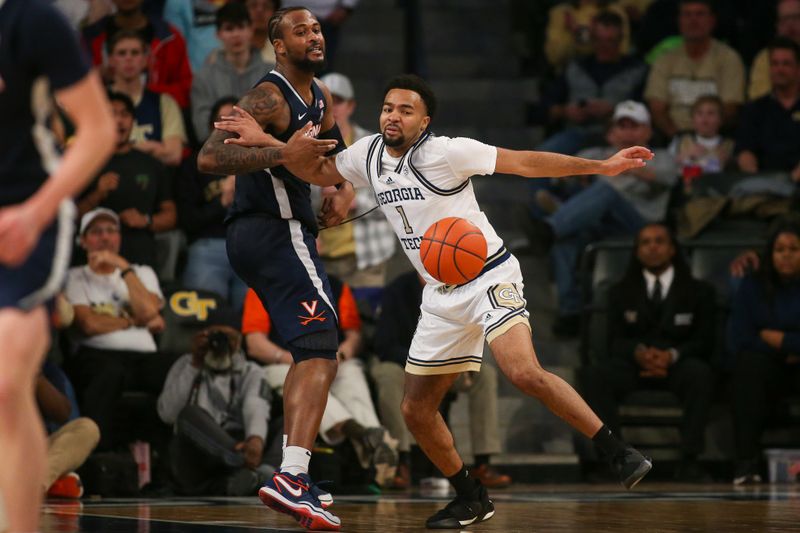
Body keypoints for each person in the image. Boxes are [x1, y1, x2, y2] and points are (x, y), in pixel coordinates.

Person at [215, 73, 655, 529]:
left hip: (487, 274)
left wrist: (601, 167)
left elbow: (524, 162)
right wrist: (268, 142)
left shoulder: (447, 152)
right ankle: (470, 496)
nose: (393, 116)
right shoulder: (367, 154)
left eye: (405, 110)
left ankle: (617, 452)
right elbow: (318, 171)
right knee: (415, 410)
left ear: (424, 121)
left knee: (522, 371)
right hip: (439, 293)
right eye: (387, 107)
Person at [197, 6, 353, 531]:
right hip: (271, 228)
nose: (313, 35)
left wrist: (341, 185)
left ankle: (296, 473)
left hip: (277, 232)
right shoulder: (266, 95)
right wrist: (281, 153)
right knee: (320, 345)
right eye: (299, 30)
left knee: (311, 348)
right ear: (278, 45)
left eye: (315, 27)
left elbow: (335, 147)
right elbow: (209, 158)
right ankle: (291, 477)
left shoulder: (319, 94)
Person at [0, 1, 115, 530]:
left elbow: (97, 130)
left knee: (6, 380)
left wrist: (35, 213)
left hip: (27, 215)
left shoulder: (32, 20)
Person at [579, 223, 716, 481]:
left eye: (659, 241)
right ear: (637, 251)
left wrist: (672, 355)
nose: (652, 247)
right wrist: (638, 353)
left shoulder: (699, 291)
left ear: (672, 248)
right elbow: (614, 342)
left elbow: (705, 341)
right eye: (645, 242)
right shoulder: (620, 291)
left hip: (678, 364)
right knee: (596, 376)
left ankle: (690, 460)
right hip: (634, 365)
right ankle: (614, 459)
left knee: (702, 375)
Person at [532, 101, 678, 337]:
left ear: (648, 131)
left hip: (639, 223)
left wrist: (618, 165)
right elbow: (558, 177)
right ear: (612, 133)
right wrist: (583, 173)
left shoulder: (662, 157)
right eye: (622, 126)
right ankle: (570, 313)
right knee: (565, 239)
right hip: (598, 224)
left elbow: (666, 179)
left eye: (635, 126)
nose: (628, 133)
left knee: (607, 191)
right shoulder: (595, 155)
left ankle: (552, 224)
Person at [242, 280, 399, 488]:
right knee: (297, 378)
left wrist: (340, 355)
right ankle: (363, 435)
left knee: (351, 372)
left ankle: (376, 442)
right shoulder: (263, 283)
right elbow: (254, 344)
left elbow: (354, 336)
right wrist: (293, 359)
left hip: (331, 359)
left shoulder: (336, 285)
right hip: (281, 362)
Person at [371, 271, 511, 490]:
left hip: (445, 363)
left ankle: (483, 463)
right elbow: (384, 344)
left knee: (485, 374)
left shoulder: (460, 288)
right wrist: (422, 363)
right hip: (403, 363)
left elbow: (470, 334)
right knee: (387, 375)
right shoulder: (397, 290)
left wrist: (464, 358)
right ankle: (401, 461)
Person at [63, 208, 170, 451]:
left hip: (143, 358)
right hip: (95, 356)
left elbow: (149, 312)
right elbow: (88, 324)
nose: (105, 237)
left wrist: (122, 266)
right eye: (96, 232)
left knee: (177, 369)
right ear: (82, 241)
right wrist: (134, 321)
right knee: (108, 373)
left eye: (111, 231)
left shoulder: (141, 272)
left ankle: (170, 459)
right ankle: (102, 457)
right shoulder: (75, 276)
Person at [157, 325, 275, 496]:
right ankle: (253, 471)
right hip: (199, 451)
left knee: (286, 422)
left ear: (238, 342)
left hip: (242, 444)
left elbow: (255, 405)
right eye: (213, 336)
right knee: (189, 413)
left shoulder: (251, 370)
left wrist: (255, 440)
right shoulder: (186, 364)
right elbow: (167, 414)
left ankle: (259, 475)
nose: (219, 342)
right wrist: (195, 364)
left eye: (228, 337)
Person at [728, 222, 800, 485]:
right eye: (780, 249)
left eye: (794, 248)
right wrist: (788, 351)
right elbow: (740, 338)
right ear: (770, 254)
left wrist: (781, 339)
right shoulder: (753, 285)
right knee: (748, 367)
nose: (787, 254)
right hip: (768, 365)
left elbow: (760, 335)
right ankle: (746, 465)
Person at [316, 72, 396, 309]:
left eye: (337, 101)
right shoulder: (308, 147)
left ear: (350, 106)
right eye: (324, 102)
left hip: (366, 257)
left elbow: (396, 198)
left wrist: (354, 201)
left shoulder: (374, 146)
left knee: (365, 325)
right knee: (329, 327)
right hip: (322, 257)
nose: (331, 109)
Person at [77, 91, 177, 269]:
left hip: (141, 261)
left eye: (124, 114)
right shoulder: (85, 164)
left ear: (133, 121)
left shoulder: (152, 165)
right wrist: (97, 195)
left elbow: (171, 216)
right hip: (92, 264)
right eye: (112, 114)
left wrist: (146, 221)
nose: (119, 120)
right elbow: (70, 217)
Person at [178, 97, 248, 311]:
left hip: (251, 248)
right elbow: (187, 220)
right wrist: (223, 202)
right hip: (208, 245)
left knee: (253, 325)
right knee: (207, 322)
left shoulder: (261, 161)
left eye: (235, 120)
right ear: (211, 127)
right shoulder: (195, 164)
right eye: (222, 121)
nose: (229, 126)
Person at [644, 0, 745, 138]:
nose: (693, 20)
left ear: (712, 20)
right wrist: (678, 138)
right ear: (679, 20)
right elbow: (657, 108)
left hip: (716, 137)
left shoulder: (729, 58)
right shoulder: (665, 59)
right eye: (687, 14)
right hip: (671, 138)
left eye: (700, 14)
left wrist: (704, 138)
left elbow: (730, 108)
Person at [83, 0, 192, 109]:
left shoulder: (170, 38)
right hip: (104, 117)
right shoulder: (90, 39)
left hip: (160, 117)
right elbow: (74, 92)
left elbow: (186, 91)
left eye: (135, 53)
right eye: (122, 53)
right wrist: (97, 78)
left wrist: (143, 92)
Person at [191, 3, 273, 140]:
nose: (236, 34)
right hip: (220, 152)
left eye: (241, 27)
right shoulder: (203, 78)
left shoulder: (271, 73)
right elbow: (202, 130)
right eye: (229, 29)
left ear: (251, 29)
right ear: (218, 34)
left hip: (265, 150)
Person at [106, 30, 188, 167]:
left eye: (135, 53)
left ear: (145, 60)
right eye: (121, 53)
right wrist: (152, 147)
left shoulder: (164, 102)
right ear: (111, 60)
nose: (128, 58)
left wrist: (120, 151)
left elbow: (173, 155)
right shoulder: (98, 102)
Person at [736, 38, 800, 180]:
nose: (779, 69)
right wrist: (756, 178)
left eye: (786, 64)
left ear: (798, 69)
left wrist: (791, 181)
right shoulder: (754, 109)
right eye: (774, 64)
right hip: (763, 185)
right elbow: (744, 151)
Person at [668, 94, 734, 178]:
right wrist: (685, 155)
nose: (704, 117)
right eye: (699, 113)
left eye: (711, 113)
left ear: (720, 119)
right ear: (692, 118)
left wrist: (729, 161)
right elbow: (667, 165)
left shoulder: (729, 144)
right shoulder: (681, 140)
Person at [748, 0, 800, 100]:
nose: (790, 24)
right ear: (777, 26)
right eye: (784, 19)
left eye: (796, 17)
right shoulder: (764, 58)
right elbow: (758, 99)